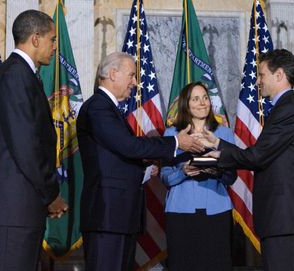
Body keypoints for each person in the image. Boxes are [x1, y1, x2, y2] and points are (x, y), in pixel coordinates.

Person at [76, 52, 204, 271]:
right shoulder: (98, 106)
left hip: (118, 215)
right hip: (107, 215)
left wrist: (142, 171)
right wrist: (175, 142)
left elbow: (114, 157)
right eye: (132, 76)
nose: (135, 83)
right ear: (113, 74)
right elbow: (127, 146)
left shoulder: (108, 108)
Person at [206, 49, 294, 271]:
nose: (257, 81)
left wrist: (218, 146)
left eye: (262, 74)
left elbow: (257, 156)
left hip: (284, 219)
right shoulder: (284, 109)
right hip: (280, 219)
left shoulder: (289, 110)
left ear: (279, 75)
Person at [0, 10, 68, 271]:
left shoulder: (24, 75)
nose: (55, 47)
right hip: (13, 208)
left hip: (22, 207)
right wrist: (51, 194)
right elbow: (26, 145)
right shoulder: (16, 76)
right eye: (52, 40)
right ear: (36, 38)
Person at [160, 82, 237, 271]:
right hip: (180, 211)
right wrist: (183, 172)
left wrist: (217, 170)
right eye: (195, 98)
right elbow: (165, 177)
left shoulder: (224, 133)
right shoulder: (172, 134)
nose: (202, 103)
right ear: (186, 104)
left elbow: (232, 177)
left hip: (217, 210)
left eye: (205, 97)